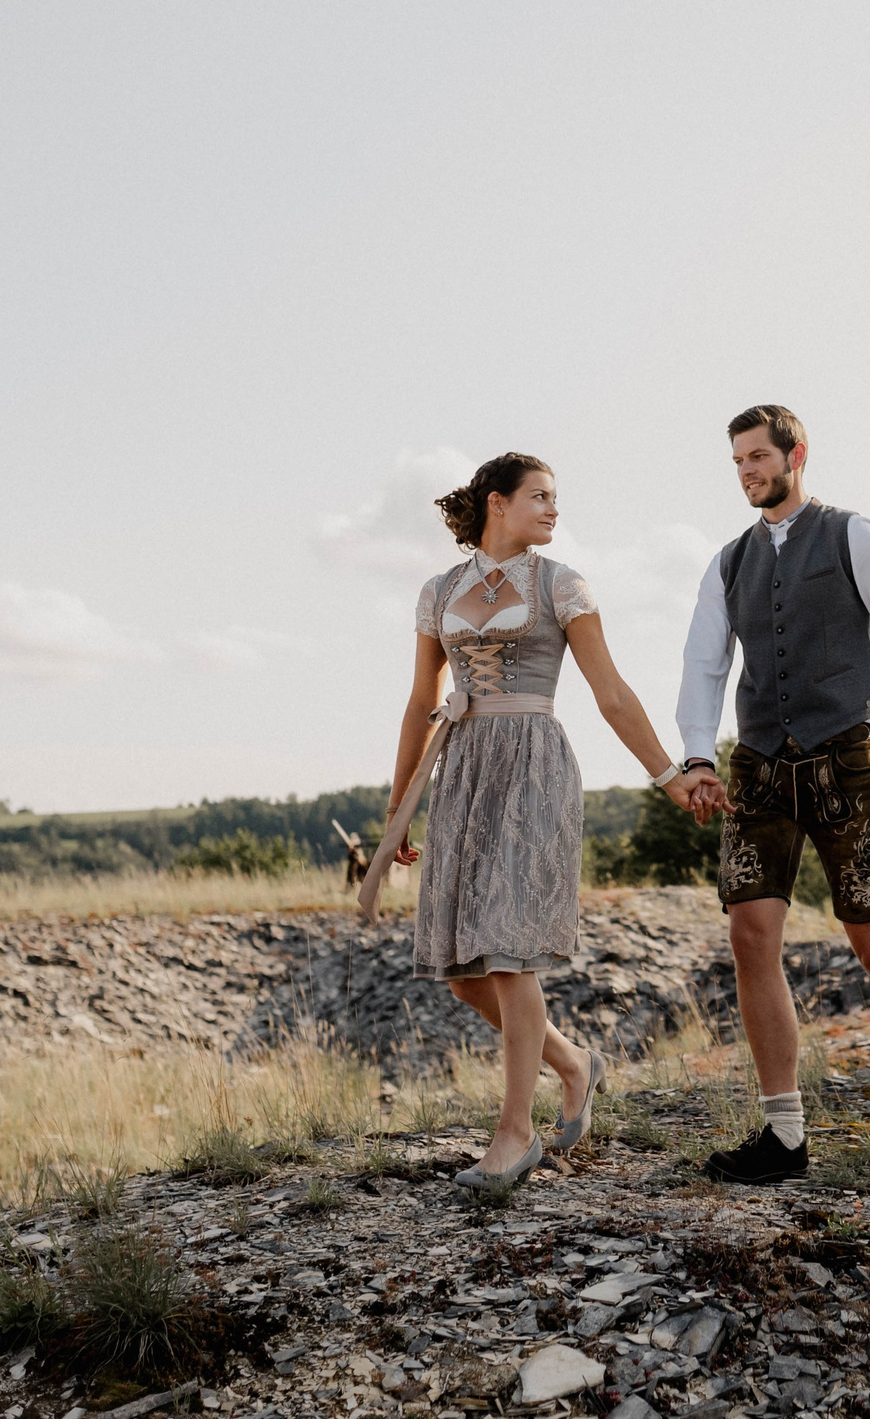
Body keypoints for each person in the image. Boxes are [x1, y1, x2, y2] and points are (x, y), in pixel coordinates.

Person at [369, 451, 718, 1195]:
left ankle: (514, 1131)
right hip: (462, 770)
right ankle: (573, 1062)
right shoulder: (438, 593)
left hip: (533, 766)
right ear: (497, 502)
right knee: (466, 974)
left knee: (506, 951)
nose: (555, 510)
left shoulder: (562, 584)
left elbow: (612, 691)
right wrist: (398, 808)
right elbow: (416, 703)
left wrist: (668, 776)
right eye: (540, 497)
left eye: (557, 498)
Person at [677, 404, 870, 1184]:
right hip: (756, 767)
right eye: (738, 461)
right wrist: (695, 756)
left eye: (759, 456)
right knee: (751, 936)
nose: (748, 471)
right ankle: (784, 1136)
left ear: (796, 455)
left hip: (846, 758)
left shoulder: (850, 532)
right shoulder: (727, 562)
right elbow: (703, 665)